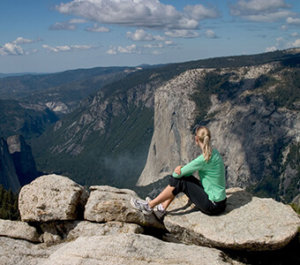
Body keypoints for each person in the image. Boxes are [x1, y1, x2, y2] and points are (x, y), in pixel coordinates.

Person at [131, 125, 227, 219]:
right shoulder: (215, 153)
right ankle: (161, 208)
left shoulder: (203, 159)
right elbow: (186, 173)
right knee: (182, 179)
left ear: (196, 139)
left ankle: (150, 205)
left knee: (179, 181)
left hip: (212, 206)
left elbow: (176, 175)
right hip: (221, 203)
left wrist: (180, 168)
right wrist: (183, 169)